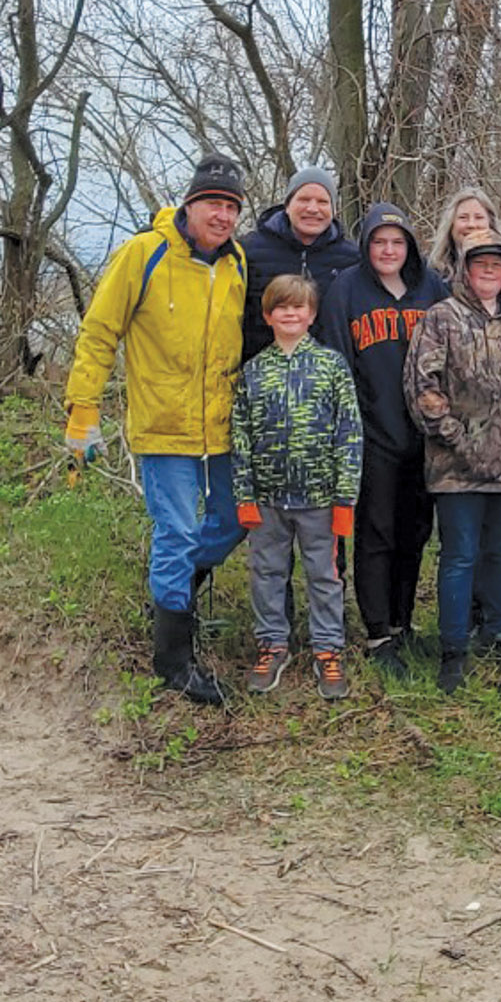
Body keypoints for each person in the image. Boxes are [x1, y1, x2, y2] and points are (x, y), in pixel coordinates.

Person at [63, 155, 251, 705]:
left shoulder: (235, 264)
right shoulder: (145, 254)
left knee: (237, 517)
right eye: (213, 203)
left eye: (232, 207)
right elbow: (100, 331)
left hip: (220, 426)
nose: (222, 215)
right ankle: (173, 661)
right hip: (163, 425)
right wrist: (83, 409)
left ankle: (171, 596)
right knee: (177, 532)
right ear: (189, 204)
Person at [403, 233, 501, 694]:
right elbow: (422, 387)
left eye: (497, 267)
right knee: (459, 557)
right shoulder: (441, 318)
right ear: (464, 270)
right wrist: (456, 438)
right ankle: (453, 650)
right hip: (456, 467)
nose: (488, 273)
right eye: (480, 265)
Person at [317, 203, 449, 676]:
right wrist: (344, 428)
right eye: (379, 242)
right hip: (370, 433)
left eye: (397, 242)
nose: (388, 250)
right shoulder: (345, 290)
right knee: (376, 533)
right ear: (366, 245)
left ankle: (401, 622)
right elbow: (335, 361)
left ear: (409, 246)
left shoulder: (431, 287)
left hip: (425, 435)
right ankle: (376, 633)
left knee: (415, 532)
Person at [232, 275, 365, 700]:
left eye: (299, 307)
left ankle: (328, 650)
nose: (291, 314)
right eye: (282, 308)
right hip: (268, 500)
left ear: (311, 315)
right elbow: (240, 436)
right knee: (267, 573)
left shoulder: (331, 366)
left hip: (321, 499)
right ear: (268, 315)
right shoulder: (253, 371)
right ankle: (272, 644)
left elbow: (349, 432)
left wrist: (345, 497)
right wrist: (244, 494)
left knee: (324, 576)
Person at [241, 167, 360, 361]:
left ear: (334, 209)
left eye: (323, 201)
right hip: (261, 377)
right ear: (287, 205)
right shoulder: (250, 251)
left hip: (329, 378)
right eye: (304, 199)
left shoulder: (352, 259)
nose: (313, 209)